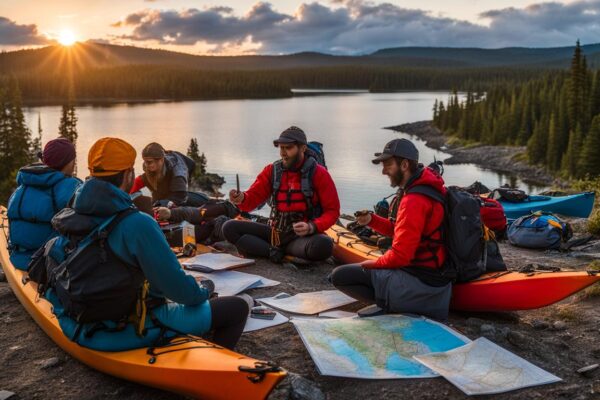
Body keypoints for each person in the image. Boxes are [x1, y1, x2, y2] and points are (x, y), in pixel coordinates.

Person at [43, 137, 248, 351]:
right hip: (125, 328)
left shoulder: (70, 211)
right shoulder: (137, 223)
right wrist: (205, 289)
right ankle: (212, 365)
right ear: (128, 174)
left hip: (77, 322)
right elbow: (181, 292)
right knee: (237, 308)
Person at [330, 138, 452, 321]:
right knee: (359, 271)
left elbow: (401, 256)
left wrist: (374, 264)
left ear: (404, 165)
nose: (383, 171)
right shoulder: (428, 188)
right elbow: (403, 232)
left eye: (388, 164)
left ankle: (393, 305)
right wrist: (372, 220)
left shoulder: (414, 200)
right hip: (435, 278)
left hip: (422, 283)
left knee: (340, 275)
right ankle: (395, 300)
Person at [222, 126, 340, 263]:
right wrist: (241, 198)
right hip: (275, 233)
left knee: (323, 245)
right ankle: (276, 253)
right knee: (229, 227)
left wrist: (312, 227)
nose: (283, 153)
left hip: (301, 236)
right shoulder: (272, 171)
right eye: (281, 148)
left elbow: (332, 211)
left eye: (288, 148)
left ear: (302, 148)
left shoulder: (319, 173)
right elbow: (250, 201)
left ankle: (274, 251)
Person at [7, 138, 81, 270]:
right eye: (73, 158)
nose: (74, 162)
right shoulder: (70, 187)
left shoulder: (23, 185)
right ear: (67, 162)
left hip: (18, 258)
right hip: (46, 264)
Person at [129, 142, 197, 206]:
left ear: (161, 160)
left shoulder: (178, 175)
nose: (146, 165)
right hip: (164, 173)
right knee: (157, 197)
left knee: (168, 202)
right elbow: (140, 181)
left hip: (179, 189)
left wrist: (160, 204)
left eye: (149, 162)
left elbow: (179, 198)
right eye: (145, 161)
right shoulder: (149, 166)